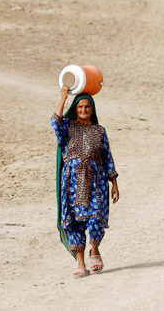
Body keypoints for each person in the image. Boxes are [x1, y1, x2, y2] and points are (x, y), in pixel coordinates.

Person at [51, 85, 119, 278]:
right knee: (74, 222)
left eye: (87, 107)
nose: (83, 110)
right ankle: (80, 263)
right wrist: (63, 96)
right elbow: (55, 121)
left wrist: (114, 182)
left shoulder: (100, 130)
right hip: (71, 182)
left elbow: (108, 157)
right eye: (80, 107)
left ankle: (94, 249)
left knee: (96, 216)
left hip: (96, 182)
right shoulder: (67, 127)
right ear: (75, 109)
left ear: (92, 110)